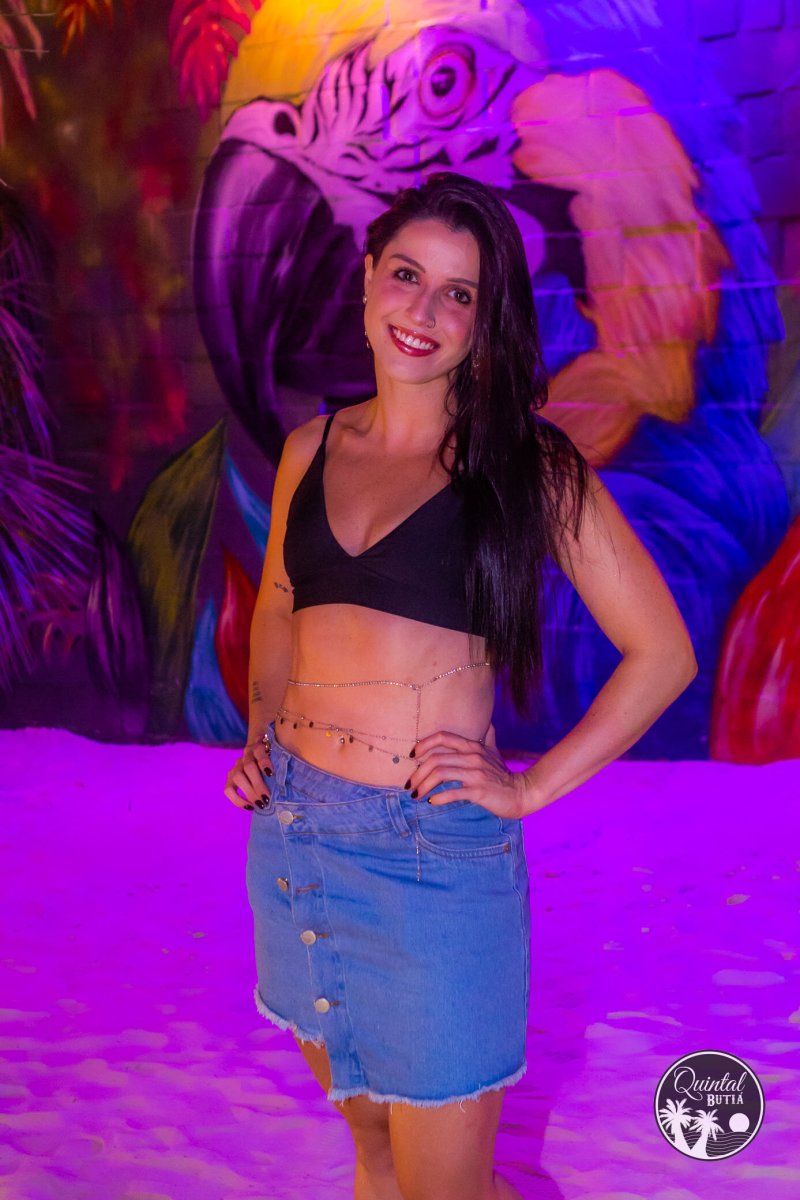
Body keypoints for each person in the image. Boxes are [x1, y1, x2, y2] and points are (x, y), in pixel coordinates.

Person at [224, 172, 697, 1200]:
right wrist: (261, 732)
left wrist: (528, 788)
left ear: (485, 323)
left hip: (428, 860)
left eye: (459, 293)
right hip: (295, 837)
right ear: (367, 280)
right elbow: (277, 608)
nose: (423, 311)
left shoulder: (527, 467)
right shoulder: (310, 449)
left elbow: (662, 653)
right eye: (406, 276)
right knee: (375, 1154)